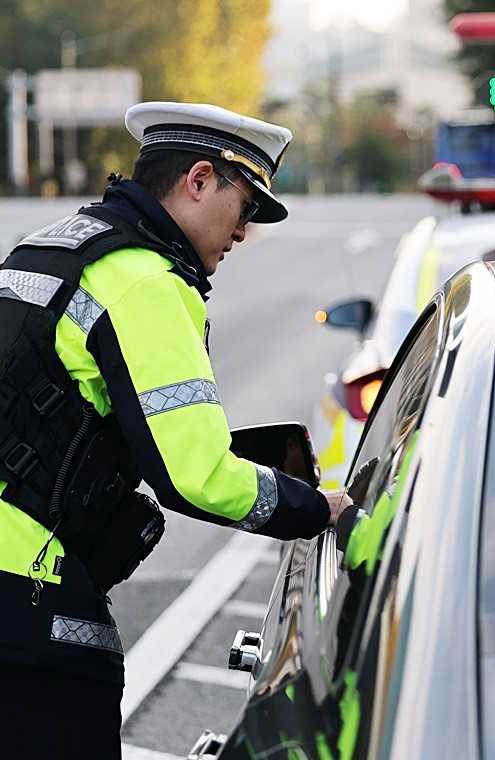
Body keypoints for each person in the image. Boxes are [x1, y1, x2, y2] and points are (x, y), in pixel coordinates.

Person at [0, 101, 353, 758]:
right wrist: (317, 507)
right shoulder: (144, 282)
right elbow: (195, 474)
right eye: (244, 206)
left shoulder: (50, 248)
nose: (244, 232)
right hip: (24, 601)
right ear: (198, 181)